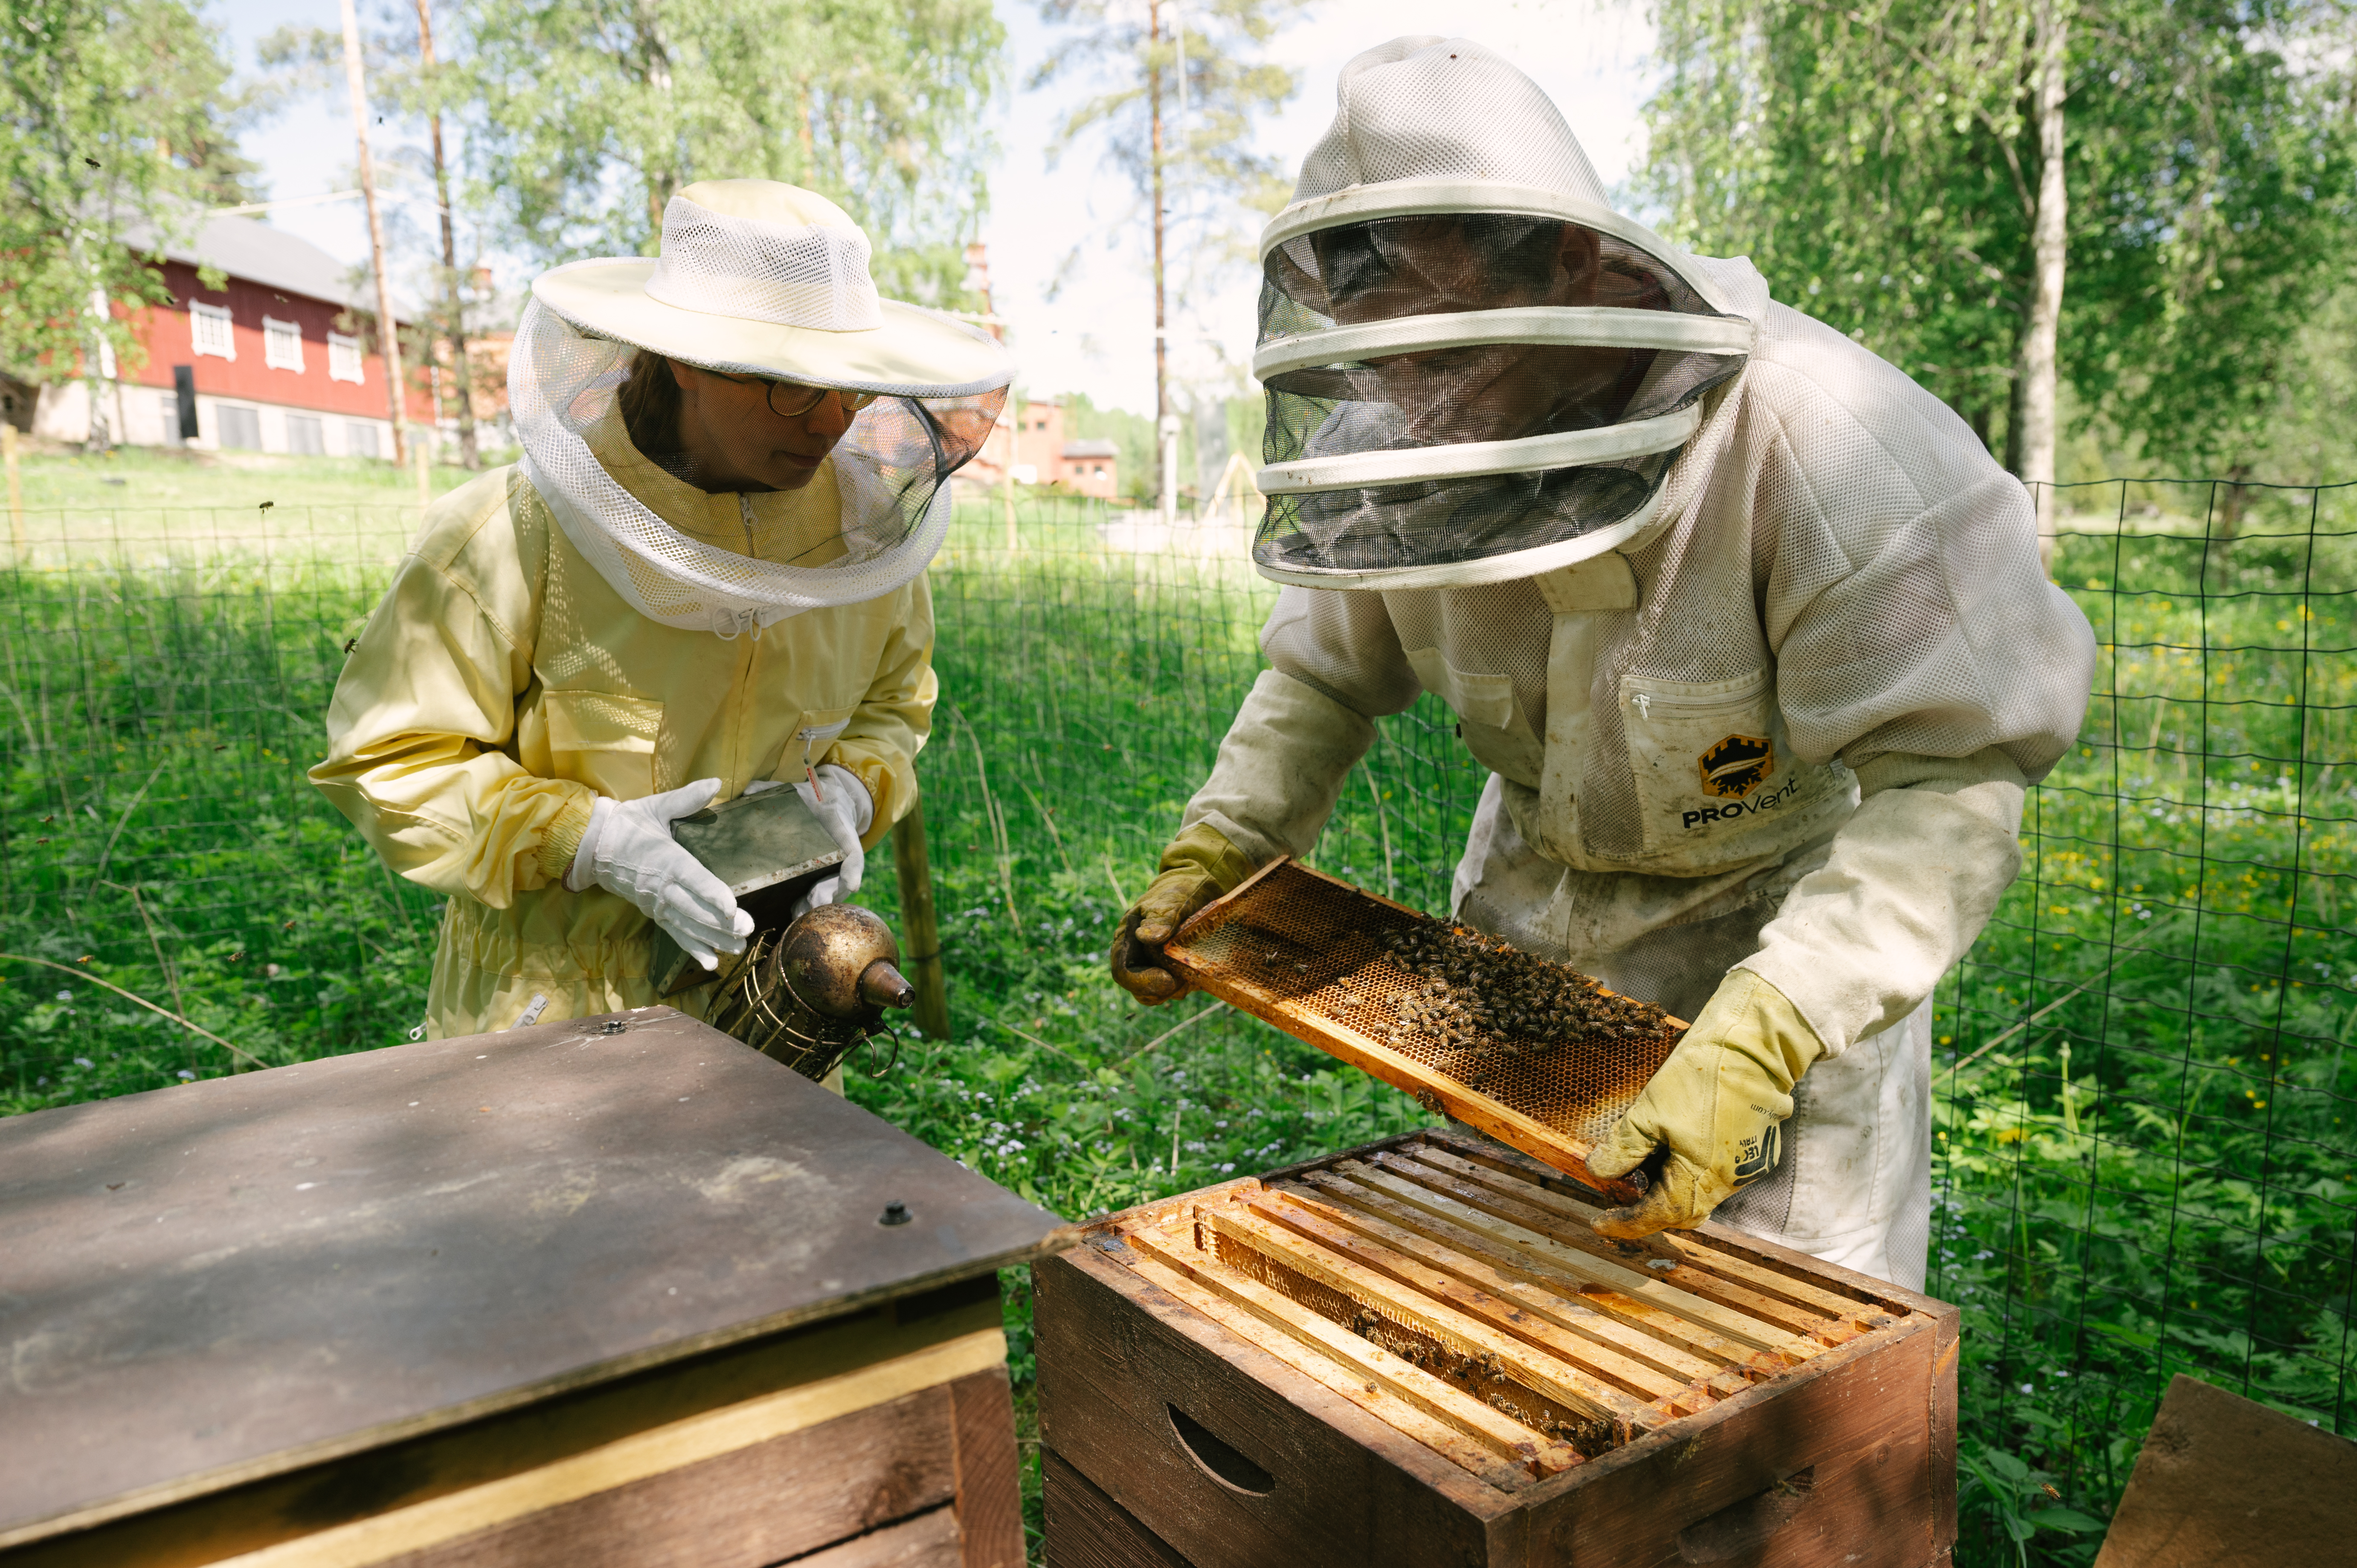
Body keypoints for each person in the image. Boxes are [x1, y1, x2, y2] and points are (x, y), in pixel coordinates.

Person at [1109, 39, 2095, 1289]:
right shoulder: (1400, 444)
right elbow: (1322, 673)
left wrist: (1765, 1032)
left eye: (1448, 354)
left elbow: (1953, 780)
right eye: (1379, 356)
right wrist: (1224, 843)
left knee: (1775, 1359)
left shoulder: (1833, 446)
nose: (1413, 402)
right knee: (1498, 1303)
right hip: (1520, 935)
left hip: (1781, 945)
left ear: (1571, 265)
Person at [313, 180, 1010, 1039]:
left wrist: (852, 798)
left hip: (779, 1009)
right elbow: (391, 759)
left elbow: (893, 713)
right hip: (549, 1022)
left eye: (852, 386)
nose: (831, 421)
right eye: (794, 385)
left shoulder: (866, 545)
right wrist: (590, 840)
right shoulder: (507, 537)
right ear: (686, 358)